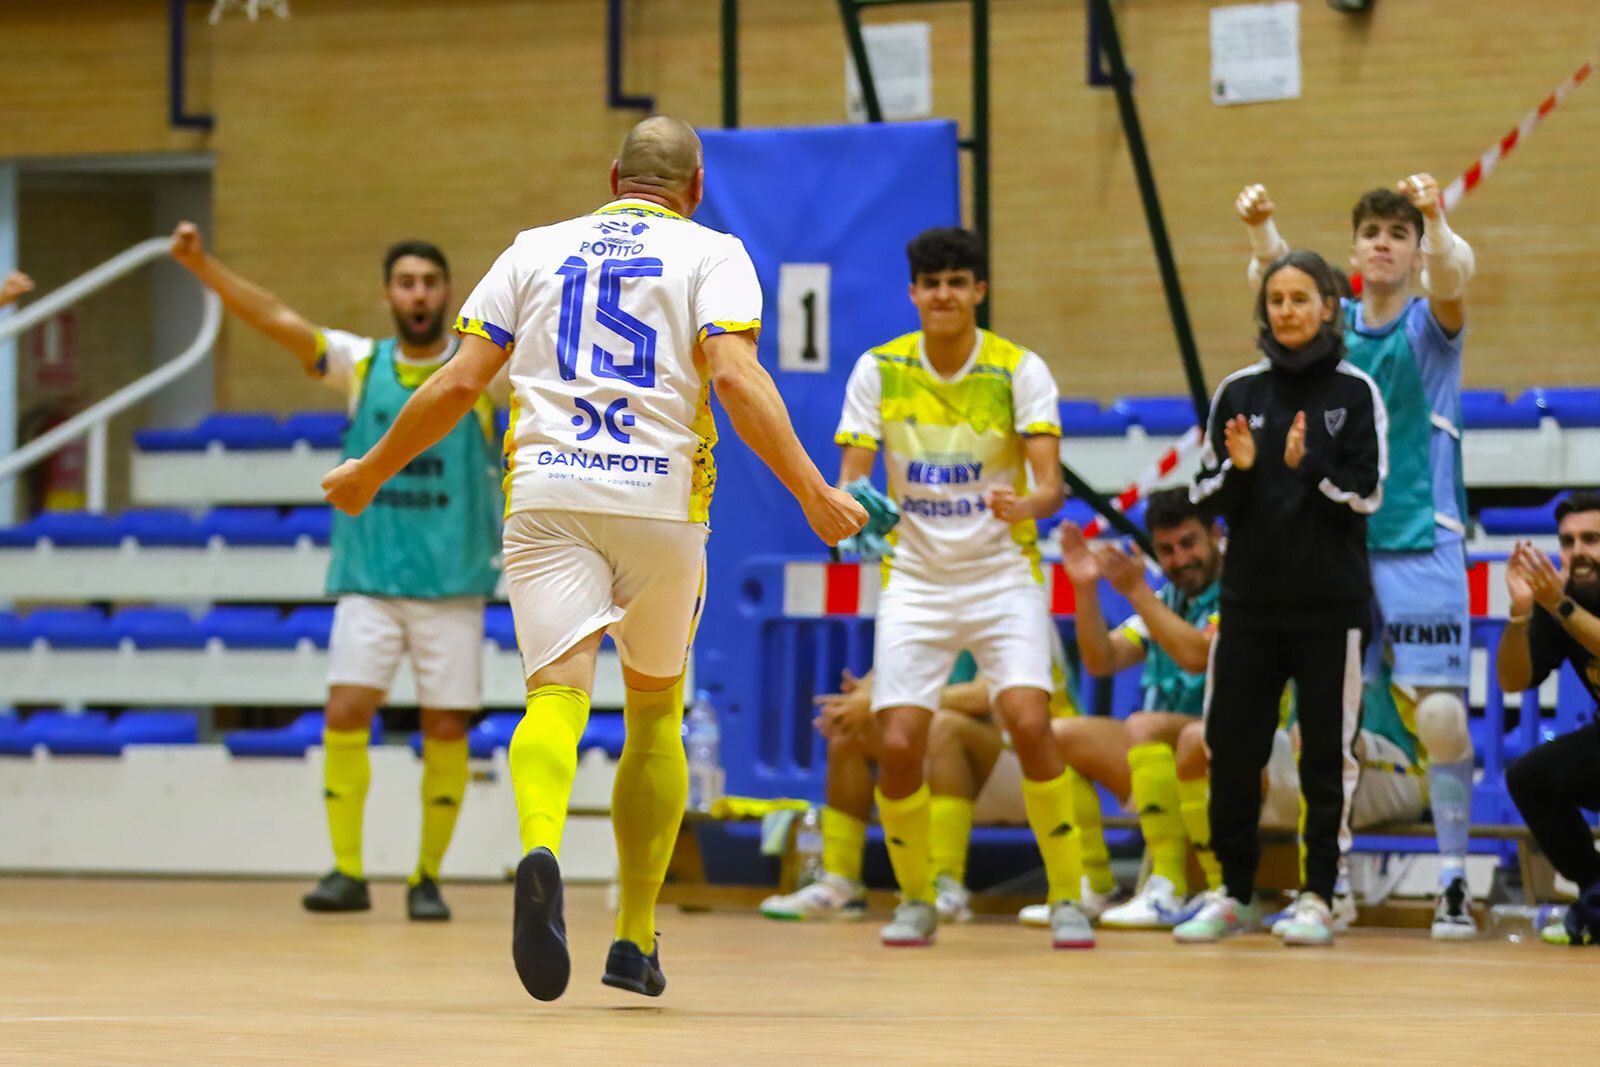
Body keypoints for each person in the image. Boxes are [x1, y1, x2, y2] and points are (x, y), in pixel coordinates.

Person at [323, 116, 865, 1002]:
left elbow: (458, 382)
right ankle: (633, 938)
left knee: (556, 695)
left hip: (546, 495)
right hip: (657, 501)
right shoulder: (714, 251)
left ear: (615, 176)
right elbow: (731, 375)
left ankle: (539, 843)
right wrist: (811, 490)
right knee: (654, 714)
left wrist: (369, 471)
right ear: (695, 187)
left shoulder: (533, 247)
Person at [171, 223, 505, 922]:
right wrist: (203, 266)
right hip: (370, 580)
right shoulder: (361, 363)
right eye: (407, 281)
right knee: (346, 712)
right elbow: (275, 317)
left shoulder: (483, 374)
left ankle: (427, 877)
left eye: (430, 282)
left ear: (448, 292)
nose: (419, 293)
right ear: (388, 294)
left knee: (447, 727)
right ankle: (347, 870)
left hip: (454, 584)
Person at [1239, 176, 1481, 938]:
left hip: (1419, 543)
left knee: (1440, 716)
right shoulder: (1329, 324)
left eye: (1397, 233)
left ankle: (1451, 880)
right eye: (1371, 230)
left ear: (1412, 253)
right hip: (1333, 544)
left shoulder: (1429, 325)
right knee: (1322, 722)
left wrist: (1437, 218)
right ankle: (1329, 878)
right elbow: (1281, 285)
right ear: (1352, 249)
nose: (1383, 241)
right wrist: (1262, 232)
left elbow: (1453, 277)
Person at [833, 226, 1087, 950]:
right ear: (913, 293)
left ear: (979, 289)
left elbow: (1050, 487)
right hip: (914, 576)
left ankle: (1069, 893)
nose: (943, 293)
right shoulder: (877, 370)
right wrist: (856, 511)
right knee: (902, 738)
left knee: (1031, 722)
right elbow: (851, 479)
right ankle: (916, 897)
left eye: (957, 281)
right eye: (930, 282)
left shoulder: (1019, 370)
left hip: (1002, 573)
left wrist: (1027, 506)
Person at [1177, 249, 1386, 948]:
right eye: (1277, 300)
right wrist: (1243, 472)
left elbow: (1367, 492)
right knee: (1230, 748)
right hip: (1248, 608)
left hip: (1331, 608)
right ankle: (1233, 890)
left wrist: (1309, 464)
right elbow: (1205, 497)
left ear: (1330, 306)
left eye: (1302, 298)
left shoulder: (1355, 393)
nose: (1288, 311)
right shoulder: (1237, 393)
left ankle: (1318, 894)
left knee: (1326, 753)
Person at [1050, 489, 1223, 928]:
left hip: (1239, 755)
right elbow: (1099, 660)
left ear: (1216, 535)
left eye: (1189, 543)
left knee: (1152, 726)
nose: (1180, 559)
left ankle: (1167, 886)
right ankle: (1094, 885)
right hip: (1166, 755)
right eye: (1166, 550)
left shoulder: (1240, 593)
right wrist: (1084, 589)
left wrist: (1136, 591)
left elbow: (1196, 655)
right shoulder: (1165, 603)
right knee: (1057, 736)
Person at [756, 653, 991, 923]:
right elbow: (874, 687)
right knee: (851, 733)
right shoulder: (915, 616)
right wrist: (856, 701)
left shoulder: (1001, 613)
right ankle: (840, 883)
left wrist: (896, 700)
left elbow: (983, 697)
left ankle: (945, 884)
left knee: (943, 727)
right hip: (926, 747)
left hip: (1000, 756)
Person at [1498, 491, 1600, 947]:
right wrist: (1521, 613)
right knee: (1530, 777)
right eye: (1568, 540)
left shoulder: (1563, 602)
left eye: (1592, 539)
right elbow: (1512, 680)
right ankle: (1597, 891)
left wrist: (1560, 607)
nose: (1577, 551)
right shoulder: (1562, 597)